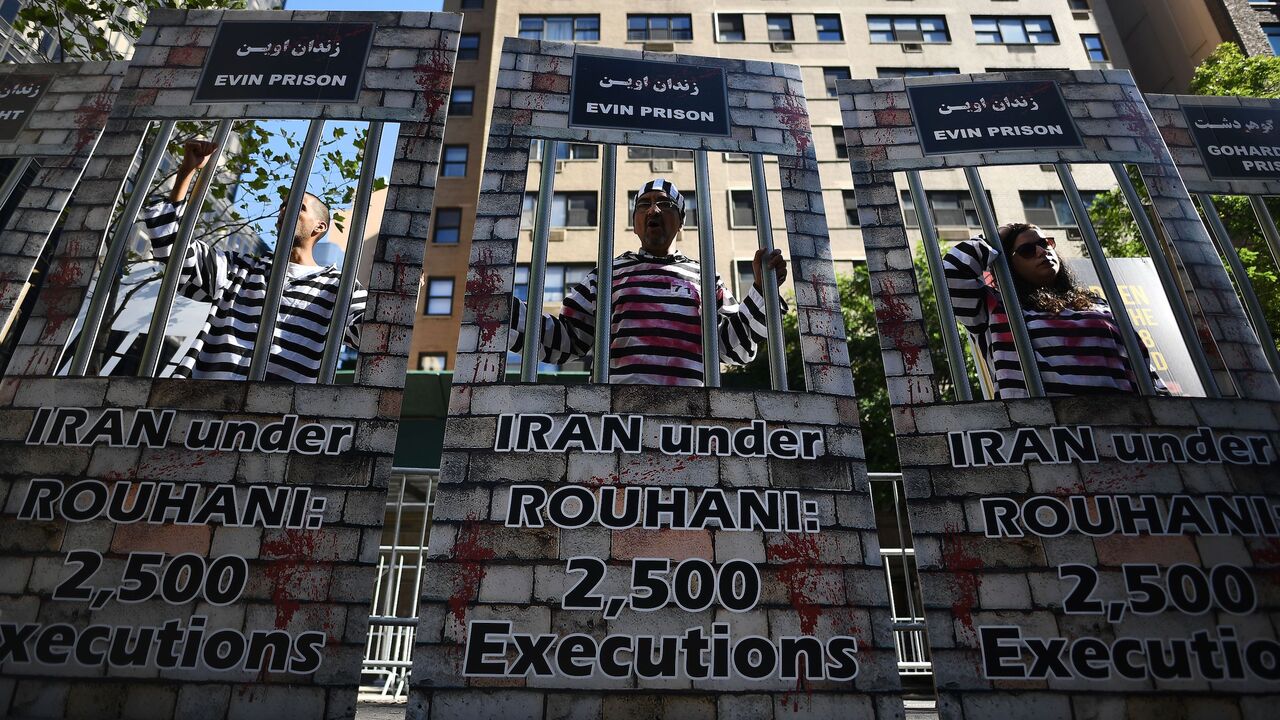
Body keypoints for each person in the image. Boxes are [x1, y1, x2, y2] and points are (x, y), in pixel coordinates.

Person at [509, 178, 787, 386]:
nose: (653, 210)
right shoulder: (606, 274)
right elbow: (569, 340)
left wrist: (762, 291)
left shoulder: (706, 278)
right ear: (635, 222)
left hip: (688, 423)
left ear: (681, 222)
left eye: (665, 204)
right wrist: (504, 311)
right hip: (616, 419)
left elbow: (733, 348)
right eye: (643, 205)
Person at [138, 139, 363, 382]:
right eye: (283, 205)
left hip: (276, 415)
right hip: (203, 403)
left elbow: (371, 332)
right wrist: (186, 172)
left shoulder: (337, 287)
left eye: (299, 207)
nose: (284, 210)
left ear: (320, 227)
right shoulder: (240, 269)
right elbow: (171, 251)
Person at [944, 222, 1167, 398]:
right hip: (1045, 436)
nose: (1042, 251)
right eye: (1027, 250)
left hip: (1125, 427)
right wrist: (998, 236)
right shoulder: (994, 307)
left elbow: (1142, 365)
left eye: (1046, 243)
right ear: (1009, 264)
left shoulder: (1096, 303)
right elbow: (952, 271)